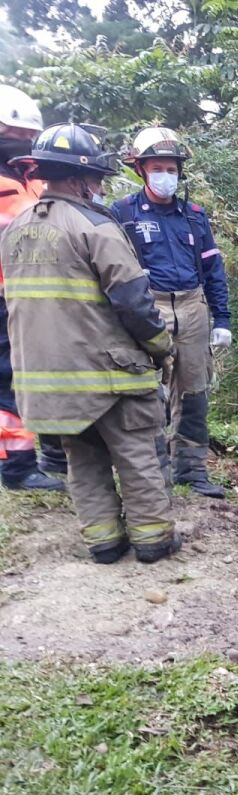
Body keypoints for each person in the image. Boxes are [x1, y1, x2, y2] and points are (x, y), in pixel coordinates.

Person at [1, 123, 178, 564]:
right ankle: (153, 540)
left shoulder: (16, 229)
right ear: (81, 179)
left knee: (83, 462)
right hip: (107, 374)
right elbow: (133, 300)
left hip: (47, 381)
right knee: (137, 455)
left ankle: (104, 542)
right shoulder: (94, 225)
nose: (99, 188)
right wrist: (160, 346)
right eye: (97, 179)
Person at [111, 127, 229, 498]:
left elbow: (213, 269)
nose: (167, 175)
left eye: (172, 168)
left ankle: (191, 470)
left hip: (193, 307)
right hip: (148, 307)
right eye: (158, 167)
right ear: (142, 169)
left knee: (194, 392)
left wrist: (222, 320)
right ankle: (151, 472)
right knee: (148, 393)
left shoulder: (194, 216)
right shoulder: (123, 214)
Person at [0, 85, 67, 491]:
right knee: (9, 379)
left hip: (37, 295)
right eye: (15, 135)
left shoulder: (31, 181)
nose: (23, 144)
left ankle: (49, 454)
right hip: (4, 297)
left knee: (42, 372)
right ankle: (17, 467)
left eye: (29, 137)